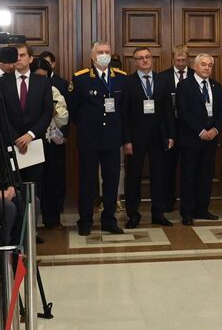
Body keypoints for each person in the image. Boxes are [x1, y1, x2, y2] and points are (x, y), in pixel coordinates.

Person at [0, 43, 53, 241]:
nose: (19, 59)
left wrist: (31, 135)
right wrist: (16, 138)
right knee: (13, 188)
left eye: (23, 55)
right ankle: (15, 235)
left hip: (34, 144)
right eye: (16, 55)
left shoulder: (42, 82)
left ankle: (30, 231)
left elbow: (47, 112)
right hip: (11, 143)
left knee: (33, 189)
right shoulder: (2, 82)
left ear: (30, 59)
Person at [69, 41, 128, 236]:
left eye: (107, 52)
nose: (104, 55)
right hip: (89, 138)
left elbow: (123, 109)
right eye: (100, 52)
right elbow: (74, 111)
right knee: (87, 181)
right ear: (92, 56)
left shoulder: (120, 78)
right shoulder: (80, 79)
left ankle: (109, 219)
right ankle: (85, 220)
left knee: (111, 180)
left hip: (112, 138)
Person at [122, 46, 174, 228]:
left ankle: (158, 213)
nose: (144, 60)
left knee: (159, 175)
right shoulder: (128, 82)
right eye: (140, 58)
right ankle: (133, 214)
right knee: (134, 176)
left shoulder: (162, 80)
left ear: (152, 59)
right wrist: (126, 139)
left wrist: (170, 135)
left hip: (159, 135)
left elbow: (168, 109)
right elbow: (125, 114)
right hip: (136, 137)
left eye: (147, 57)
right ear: (135, 61)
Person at [174, 53, 222, 224]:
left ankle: (202, 209)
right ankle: (187, 212)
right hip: (192, 139)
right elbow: (183, 112)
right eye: (203, 64)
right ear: (195, 67)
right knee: (188, 175)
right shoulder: (184, 85)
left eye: (210, 65)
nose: (207, 68)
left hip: (211, 139)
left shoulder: (216, 86)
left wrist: (215, 130)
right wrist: (201, 131)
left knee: (206, 175)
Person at [156, 45, 192, 215]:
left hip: (190, 130)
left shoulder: (195, 75)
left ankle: (189, 203)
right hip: (169, 129)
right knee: (167, 168)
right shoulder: (162, 77)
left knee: (189, 167)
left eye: (183, 60)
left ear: (188, 59)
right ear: (172, 59)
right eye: (177, 60)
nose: (180, 63)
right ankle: (167, 201)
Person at [36, 50, 70, 229]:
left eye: (44, 77)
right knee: (37, 180)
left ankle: (52, 218)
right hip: (33, 140)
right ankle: (33, 220)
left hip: (54, 139)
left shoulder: (56, 88)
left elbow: (65, 115)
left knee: (54, 179)